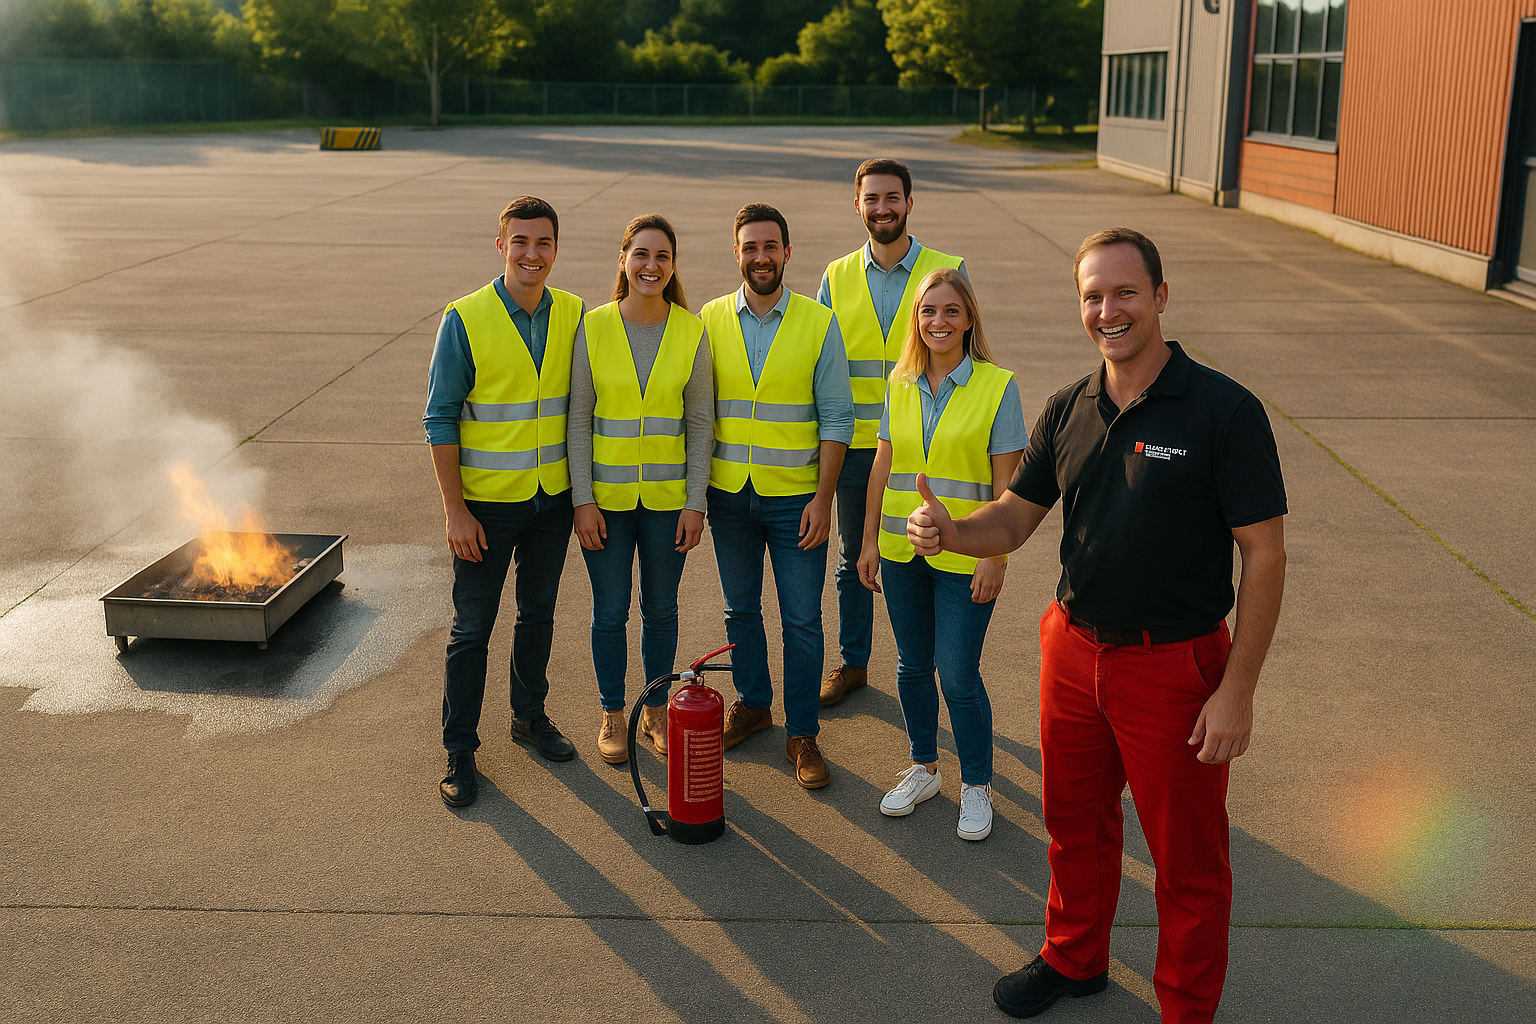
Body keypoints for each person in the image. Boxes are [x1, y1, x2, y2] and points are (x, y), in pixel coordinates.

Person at [907, 228, 1287, 1023]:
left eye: (1123, 293)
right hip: (1074, 650)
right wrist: (952, 532)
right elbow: (1013, 519)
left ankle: (1184, 1007)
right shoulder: (1070, 407)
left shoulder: (1224, 410)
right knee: (1073, 822)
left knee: (1187, 859)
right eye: (1092, 295)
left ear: (1159, 297)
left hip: (1173, 667)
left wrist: (1237, 688)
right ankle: (1075, 957)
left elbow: (1265, 554)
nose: (1106, 311)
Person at [425, 196, 586, 809]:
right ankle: (459, 750)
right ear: (502, 247)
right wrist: (454, 510)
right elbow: (440, 418)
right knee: (472, 629)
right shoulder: (464, 319)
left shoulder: (573, 313)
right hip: (486, 507)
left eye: (543, 243)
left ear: (555, 249)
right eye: (520, 242)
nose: (532, 254)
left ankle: (528, 716)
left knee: (537, 615)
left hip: (550, 501)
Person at [856, 268, 1025, 841]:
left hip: (968, 556)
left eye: (951, 311)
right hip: (902, 551)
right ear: (917, 320)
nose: (939, 322)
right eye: (929, 311)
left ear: (969, 317)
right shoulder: (898, 381)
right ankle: (924, 768)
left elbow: (1009, 484)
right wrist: (868, 542)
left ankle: (976, 784)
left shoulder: (998, 386)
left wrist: (994, 557)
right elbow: (883, 466)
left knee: (956, 672)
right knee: (911, 666)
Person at [699, 202, 854, 789]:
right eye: (749, 247)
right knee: (740, 610)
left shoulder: (819, 321)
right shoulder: (709, 318)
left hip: (797, 500)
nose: (760, 257)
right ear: (736, 253)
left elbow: (837, 418)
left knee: (802, 619)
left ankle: (803, 733)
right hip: (730, 497)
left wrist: (823, 499)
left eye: (770, 247)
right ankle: (754, 703)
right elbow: (697, 412)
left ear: (787, 253)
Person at [817, 158, 968, 708]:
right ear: (857, 205)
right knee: (854, 555)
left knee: (929, 557)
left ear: (909, 202)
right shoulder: (835, 276)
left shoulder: (947, 268)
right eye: (871, 199)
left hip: (931, 446)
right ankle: (853, 662)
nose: (882, 208)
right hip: (858, 446)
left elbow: (964, 350)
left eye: (892, 198)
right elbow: (824, 364)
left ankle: (928, 670)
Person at [568, 214, 712, 765]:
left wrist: (694, 501)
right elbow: (578, 419)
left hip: (666, 503)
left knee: (660, 610)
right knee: (610, 613)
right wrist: (582, 499)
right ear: (623, 260)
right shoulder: (594, 326)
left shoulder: (691, 331)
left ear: (673, 266)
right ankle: (612, 711)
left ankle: (653, 710)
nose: (651, 266)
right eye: (641, 255)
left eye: (662, 257)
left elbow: (700, 423)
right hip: (604, 502)